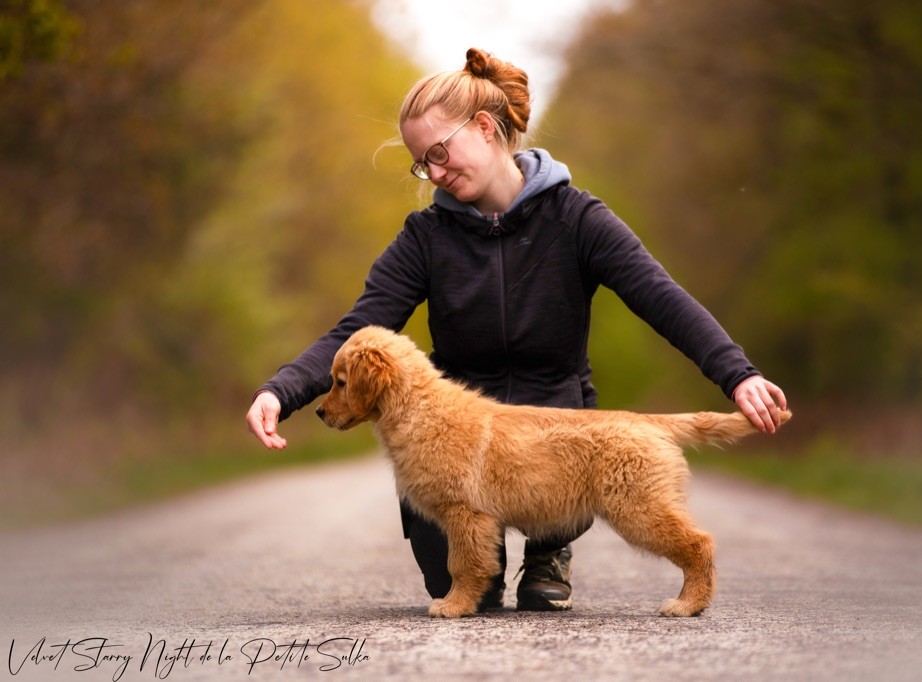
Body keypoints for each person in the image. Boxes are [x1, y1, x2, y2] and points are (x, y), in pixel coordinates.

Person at [246, 47, 787, 612]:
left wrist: (737, 374)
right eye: (420, 164)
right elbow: (359, 329)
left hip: (555, 435)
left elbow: (662, 299)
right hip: (455, 439)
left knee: (541, 549)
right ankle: (488, 558)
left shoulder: (577, 218)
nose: (432, 173)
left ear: (483, 127)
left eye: (438, 152)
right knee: (457, 581)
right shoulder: (424, 237)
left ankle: (549, 548)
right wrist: (278, 391)